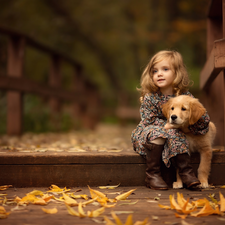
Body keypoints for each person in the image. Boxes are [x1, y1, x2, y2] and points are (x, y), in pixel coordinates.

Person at [131, 50, 210, 190]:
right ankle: (152, 175)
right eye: (154, 71)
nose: (159, 74)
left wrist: (189, 123)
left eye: (165, 69)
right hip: (148, 135)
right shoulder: (150, 97)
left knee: (176, 133)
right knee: (163, 133)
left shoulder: (186, 96)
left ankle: (186, 173)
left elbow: (203, 122)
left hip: (174, 134)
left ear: (177, 73)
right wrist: (168, 126)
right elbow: (148, 121)